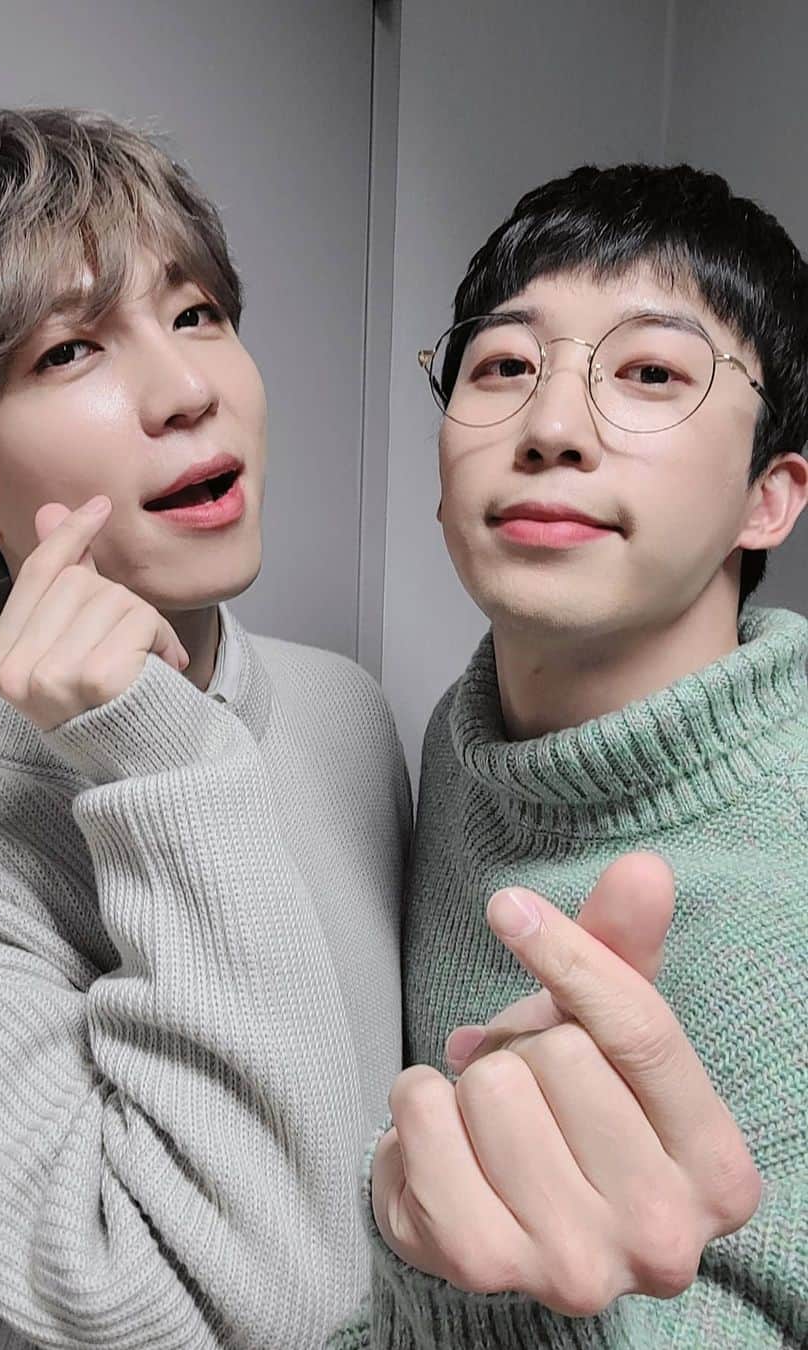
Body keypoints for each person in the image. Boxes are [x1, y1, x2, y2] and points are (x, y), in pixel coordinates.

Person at [0, 110, 761, 1349]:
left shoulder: (342, 712)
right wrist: (159, 768)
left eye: (198, 313)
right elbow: (232, 1314)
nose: (187, 391)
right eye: (69, 352)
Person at [365, 163, 808, 1347]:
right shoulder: (456, 748)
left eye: (652, 372)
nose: (550, 428)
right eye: (504, 366)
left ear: (769, 498)